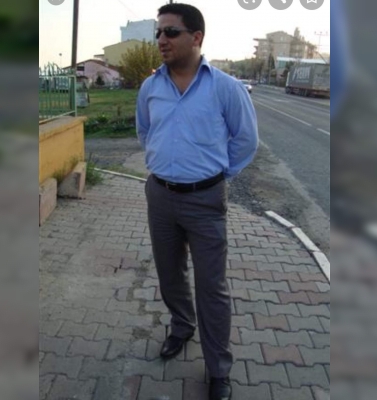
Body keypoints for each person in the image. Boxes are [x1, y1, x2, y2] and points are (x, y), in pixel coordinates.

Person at [136, 4, 258, 400]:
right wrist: (163, 164)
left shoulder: (225, 87)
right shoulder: (150, 87)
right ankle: (181, 327)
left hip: (205, 200)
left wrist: (216, 176)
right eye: (158, 33)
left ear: (196, 37)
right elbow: (145, 131)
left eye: (170, 32)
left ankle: (218, 369)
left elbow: (246, 140)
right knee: (169, 274)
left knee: (212, 287)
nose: (161, 40)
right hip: (160, 195)